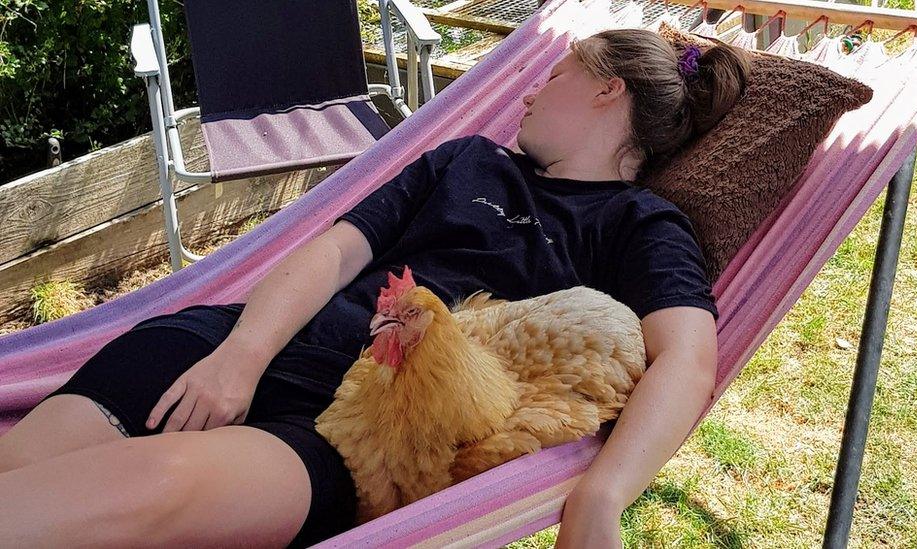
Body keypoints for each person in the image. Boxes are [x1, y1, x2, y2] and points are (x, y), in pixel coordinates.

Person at [0, 29, 750, 548]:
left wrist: (603, 492)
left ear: (605, 89)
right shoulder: (466, 161)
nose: (525, 96)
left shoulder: (640, 224)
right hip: (236, 342)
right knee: (23, 475)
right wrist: (240, 356)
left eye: (552, 75)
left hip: (361, 432)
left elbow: (685, 360)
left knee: (141, 494)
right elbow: (330, 253)